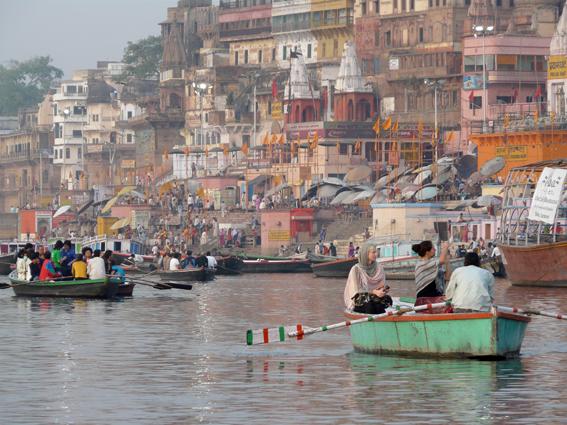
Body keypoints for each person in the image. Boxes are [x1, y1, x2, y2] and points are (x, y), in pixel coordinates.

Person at [343, 243, 391, 314]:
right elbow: (358, 291)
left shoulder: (379, 268)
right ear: (366, 254)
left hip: (375, 299)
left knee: (379, 307)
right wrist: (374, 292)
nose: (376, 254)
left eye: (376, 252)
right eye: (373, 252)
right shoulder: (356, 269)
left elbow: (381, 286)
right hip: (360, 300)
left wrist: (382, 291)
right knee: (369, 307)